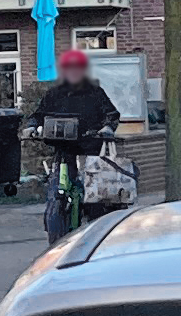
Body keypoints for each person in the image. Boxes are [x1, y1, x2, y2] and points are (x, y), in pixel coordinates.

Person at [27, 44, 122, 240]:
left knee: (96, 199)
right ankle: (57, 236)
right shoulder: (54, 94)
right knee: (56, 194)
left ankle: (96, 235)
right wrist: (31, 126)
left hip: (90, 150)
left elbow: (111, 114)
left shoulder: (95, 93)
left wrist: (107, 128)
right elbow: (38, 115)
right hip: (63, 150)